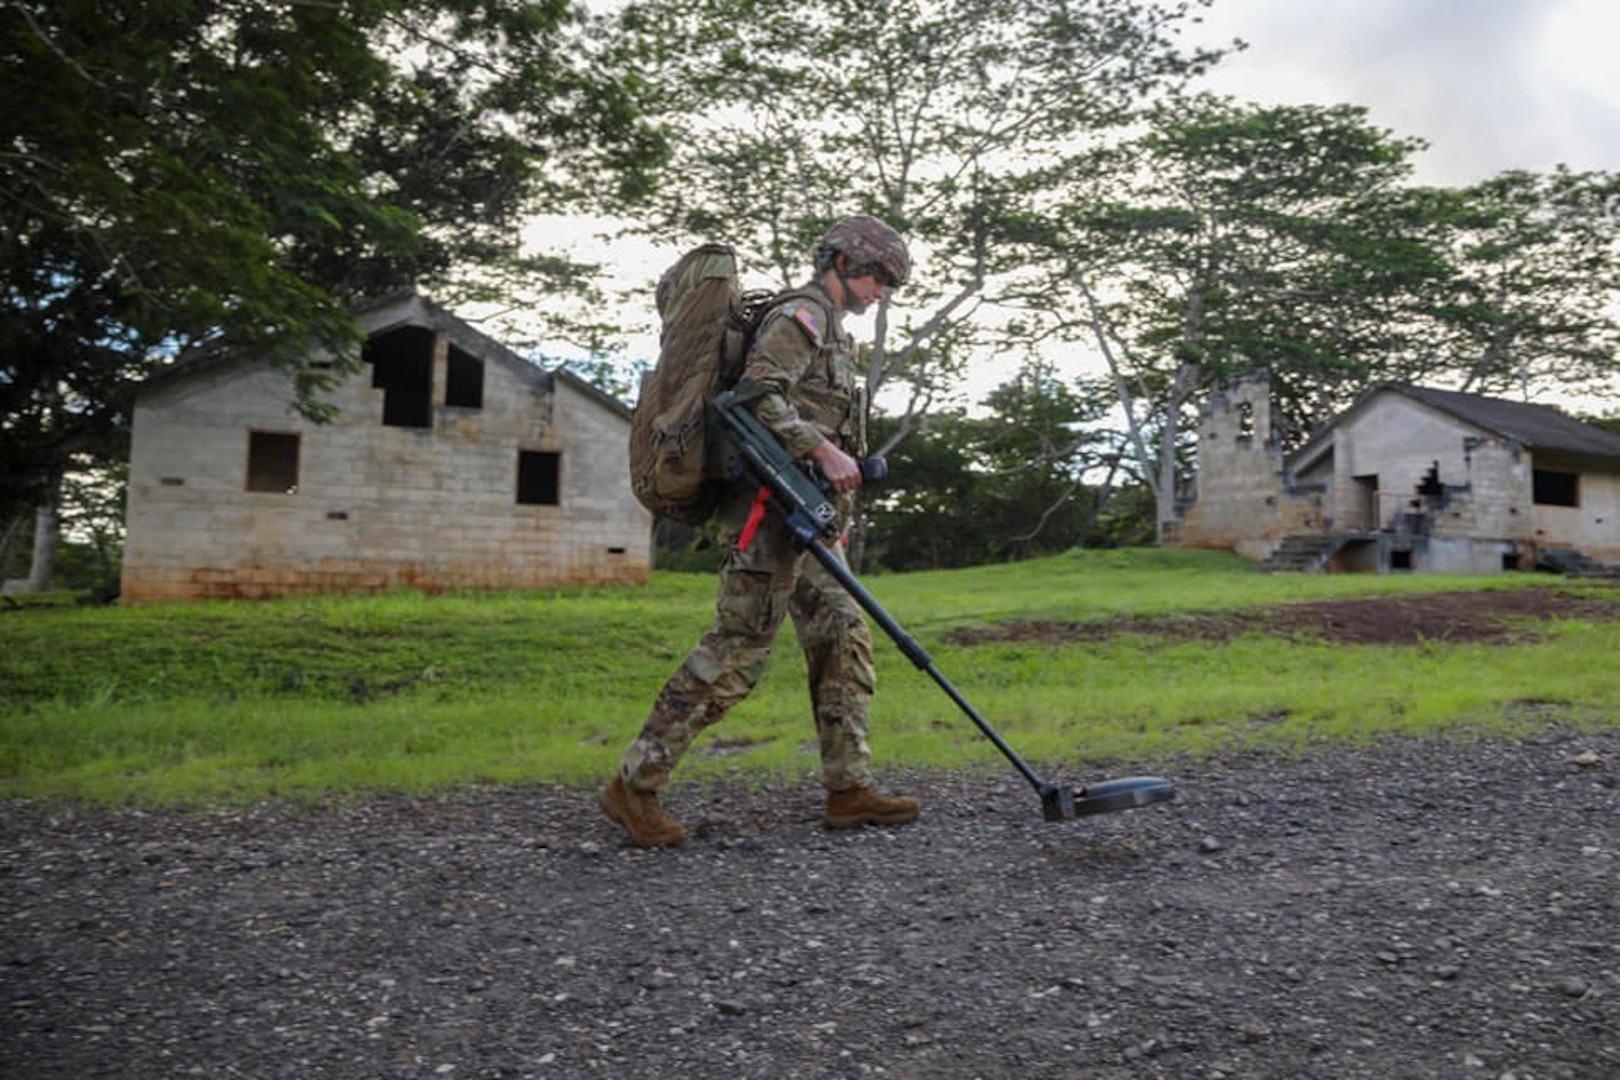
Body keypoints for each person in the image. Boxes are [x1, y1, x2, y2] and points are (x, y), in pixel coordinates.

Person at [599, 215, 921, 847]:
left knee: (843, 635)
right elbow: (752, 396)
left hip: (805, 519)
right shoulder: (800, 318)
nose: (881, 290)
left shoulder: (833, 334)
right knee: (736, 653)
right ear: (841, 264)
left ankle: (848, 788)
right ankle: (634, 787)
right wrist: (822, 452)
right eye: (877, 275)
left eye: (889, 281)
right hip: (767, 515)